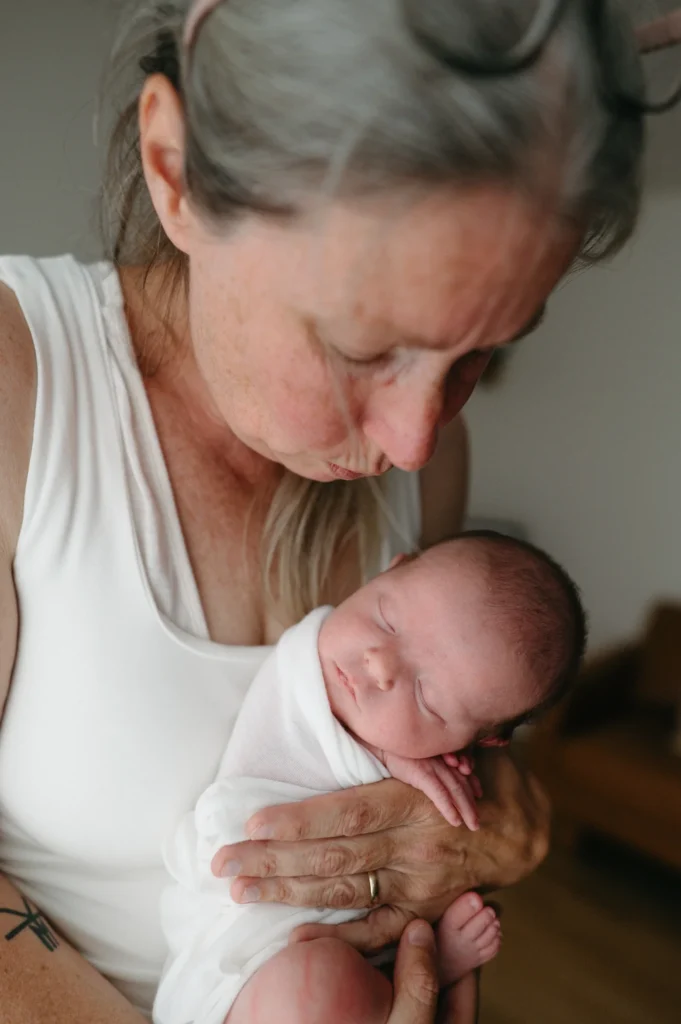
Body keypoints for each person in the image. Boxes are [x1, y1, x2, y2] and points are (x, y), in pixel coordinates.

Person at [0, 1, 646, 1022]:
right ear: (175, 170)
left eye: (479, 353)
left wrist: (502, 816)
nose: (415, 440)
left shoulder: (426, 463)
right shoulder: (19, 386)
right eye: (362, 345)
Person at [154, 532, 586, 1024]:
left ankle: (421, 966)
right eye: (387, 618)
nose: (379, 663)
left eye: (427, 698)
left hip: (332, 953)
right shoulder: (311, 659)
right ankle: (417, 972)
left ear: (477, 741)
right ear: (388, 569)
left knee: (327, 991)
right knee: (315, 995)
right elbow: (296, 673)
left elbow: (437, 858)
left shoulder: (453, 770)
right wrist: (384, 756)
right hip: (241, 945)